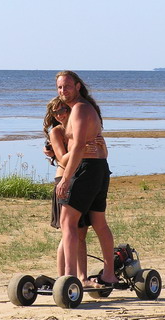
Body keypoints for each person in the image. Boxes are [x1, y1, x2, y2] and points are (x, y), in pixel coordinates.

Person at [55, 70, 118, 286]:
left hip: (87, 169)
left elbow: (80, 146)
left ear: (78, 86)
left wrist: (65, 179)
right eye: (60, 87)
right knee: (99, 223)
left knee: (67, 222)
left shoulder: (80, 108)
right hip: (98, 168)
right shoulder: (80, 109)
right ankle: (108, 274)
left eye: (67, 86)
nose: (63, 91)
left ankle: (70, 278)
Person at [43, 96, 99, 288]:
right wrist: (79, 148)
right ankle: (63, 279)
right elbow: (61, 159)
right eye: (56, 112)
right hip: (64, 179)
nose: (61, 115)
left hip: (81, 179)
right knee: (67, 232)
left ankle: (82, 278)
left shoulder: (78, 128)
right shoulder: (57, 132)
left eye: (63, 110)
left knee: (81, 232)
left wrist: (82, 146)